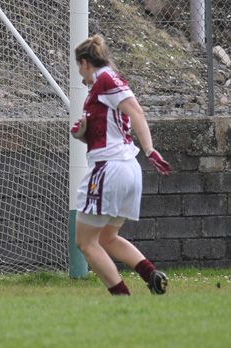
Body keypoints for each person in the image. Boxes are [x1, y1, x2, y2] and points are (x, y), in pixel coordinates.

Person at [70, 35, 172, 296]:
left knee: (85, 242)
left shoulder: (105, 78)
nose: (79, 73)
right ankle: (151, 274)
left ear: (84, 62)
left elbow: (136, 111)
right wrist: (83, 133)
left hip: (110, 169)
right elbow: (108, 130)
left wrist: (149, 149)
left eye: (78, 67)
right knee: (106, 238)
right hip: (125, 169)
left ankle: (121, 297)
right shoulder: (99, 88)